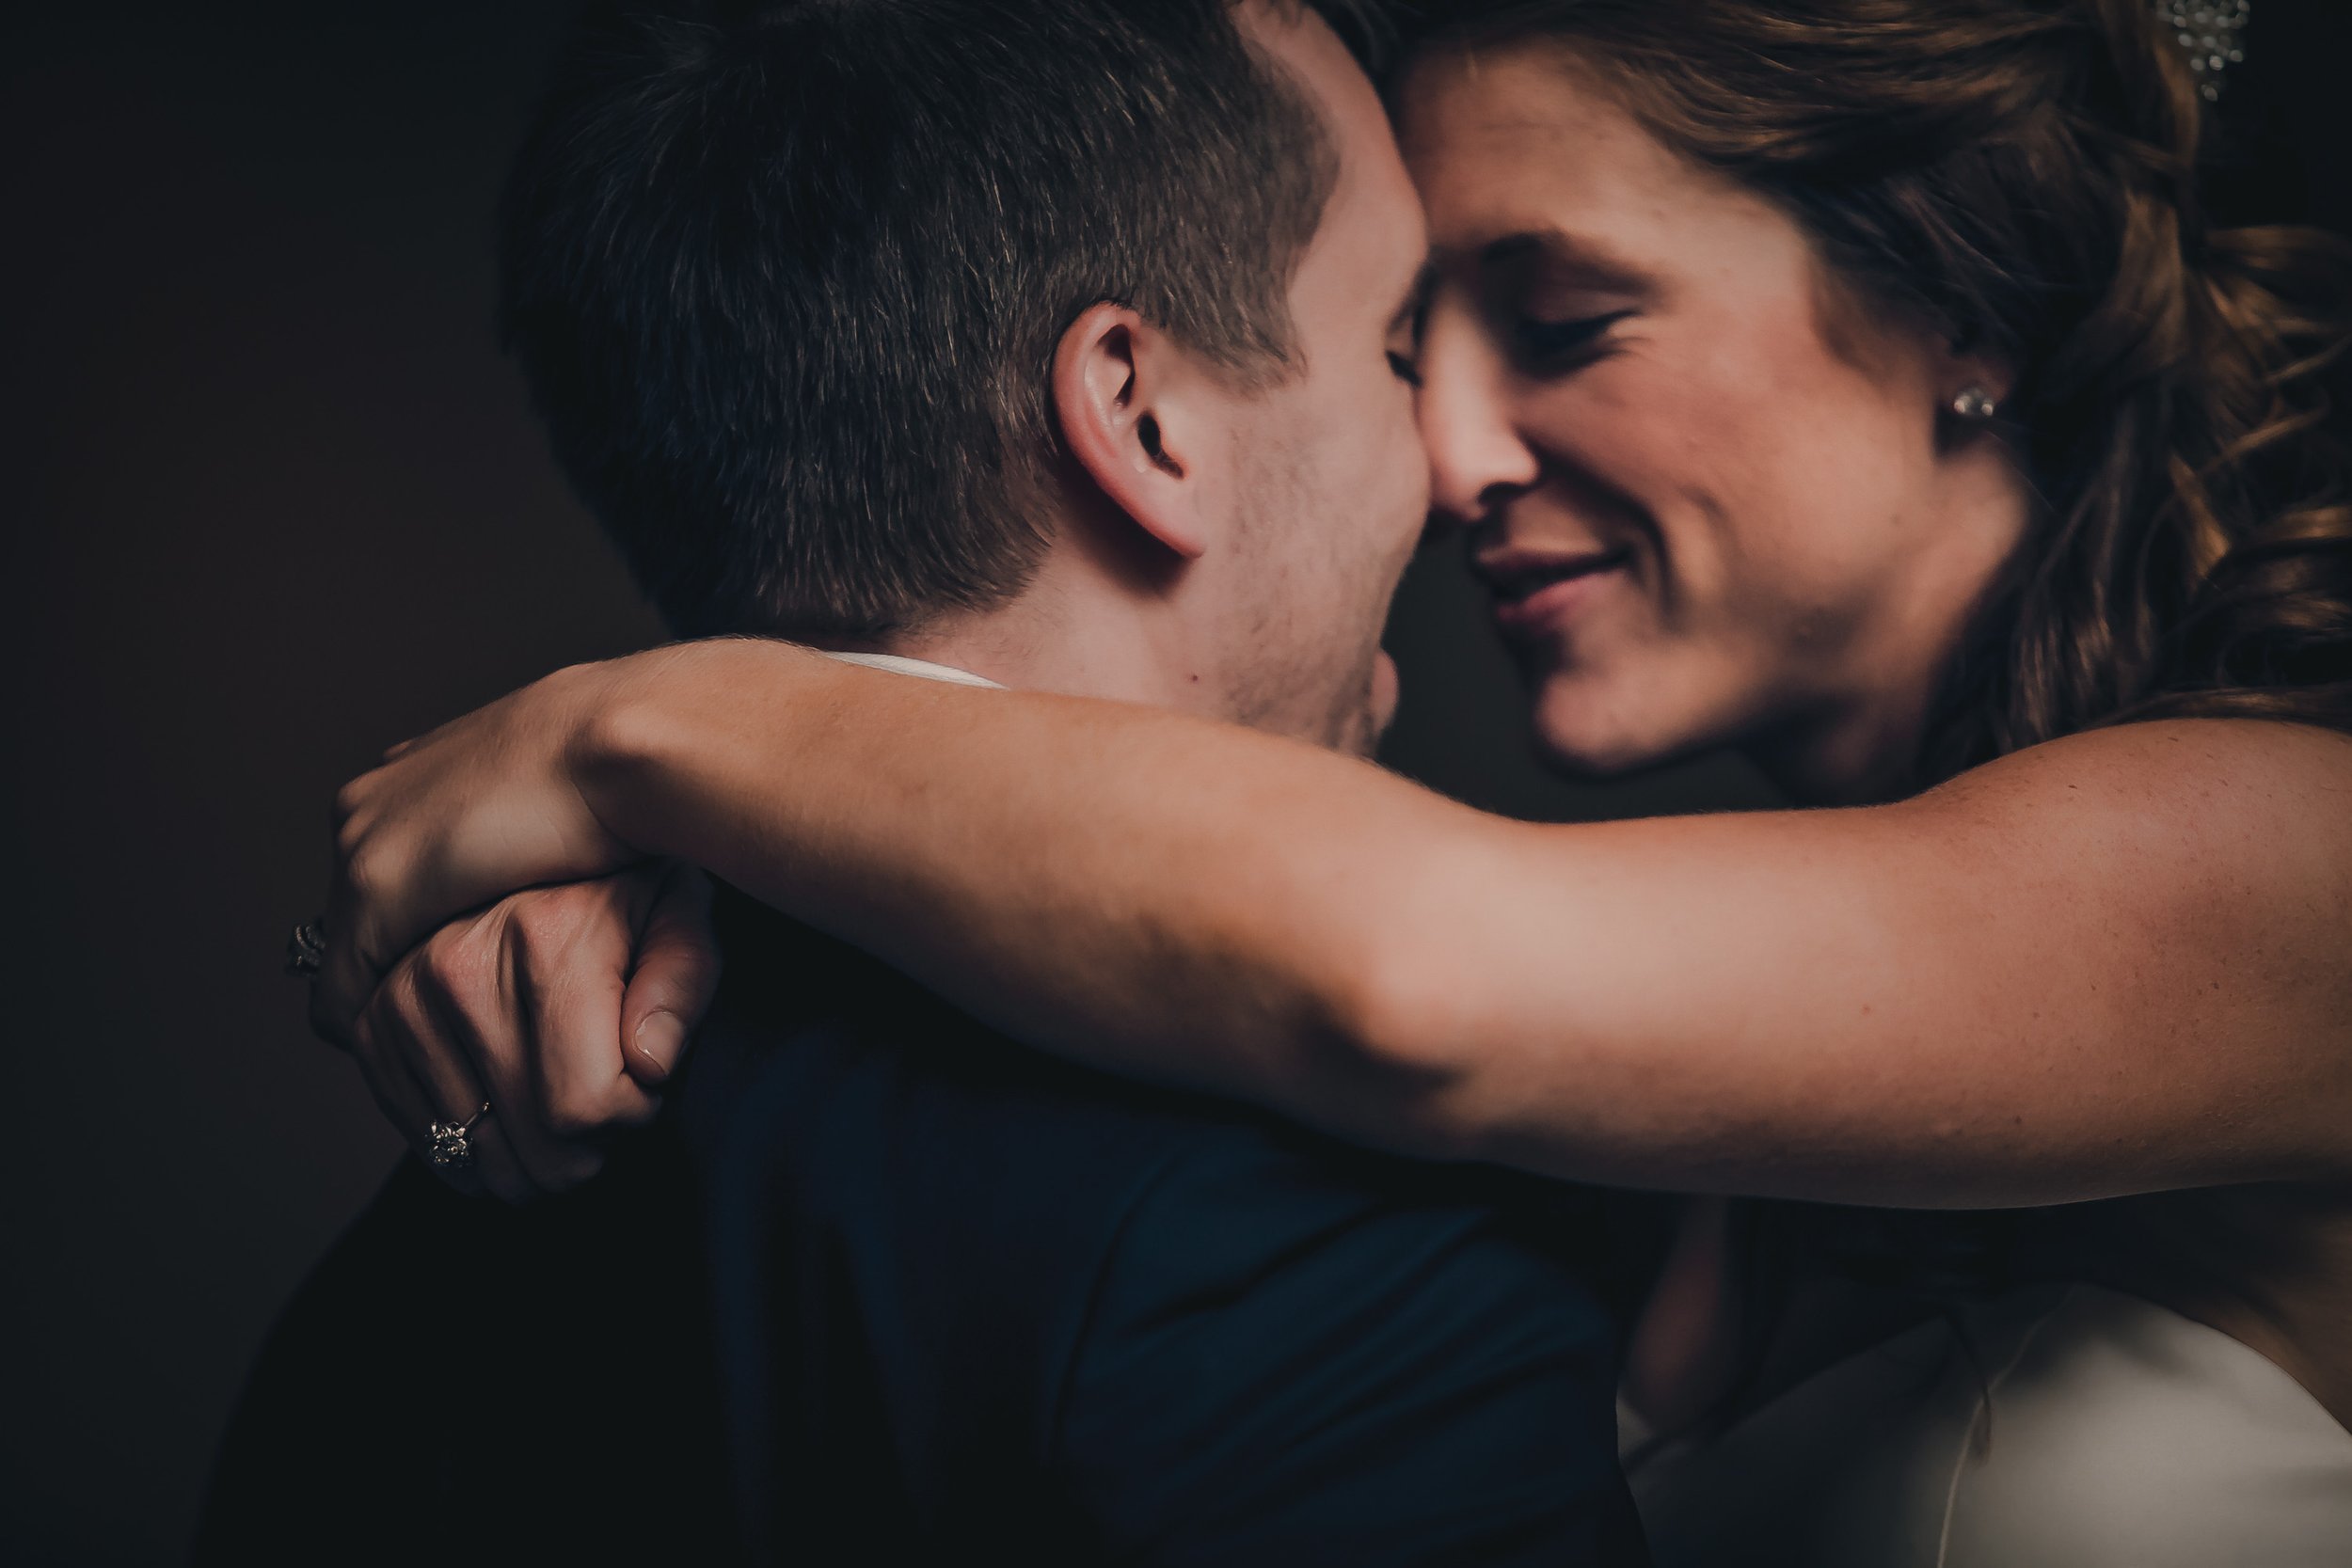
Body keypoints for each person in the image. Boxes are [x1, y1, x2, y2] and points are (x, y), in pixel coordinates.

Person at [304, 0, 2352, 1560]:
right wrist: (697, 895)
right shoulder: (1680, 976)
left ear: (1957, 307)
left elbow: (1412, 974)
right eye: (1409, 340)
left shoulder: (2295, 855)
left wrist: (640, 734)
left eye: (1561, 321)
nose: (1452, 459)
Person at [212, 2, 1654, 1563]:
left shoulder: (388, 1283)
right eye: (1391, 345)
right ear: (1140, 415)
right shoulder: (1310, 1246)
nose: (1451, 464)